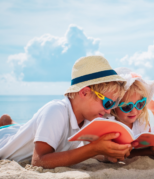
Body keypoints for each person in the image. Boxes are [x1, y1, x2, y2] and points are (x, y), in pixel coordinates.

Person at [0, 56, 136, 168]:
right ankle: (9, 125)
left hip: (26, 132)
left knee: (26, 129)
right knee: (16, 134)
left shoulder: (88, 119)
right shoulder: (56, 111)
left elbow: (76, 151)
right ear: (85, 92)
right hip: (3, 143)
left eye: (113, 104)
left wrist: (107, 153)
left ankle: (11, 123)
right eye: (107, 103)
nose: (108, 110)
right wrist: (94, 148)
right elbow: (39, 161)